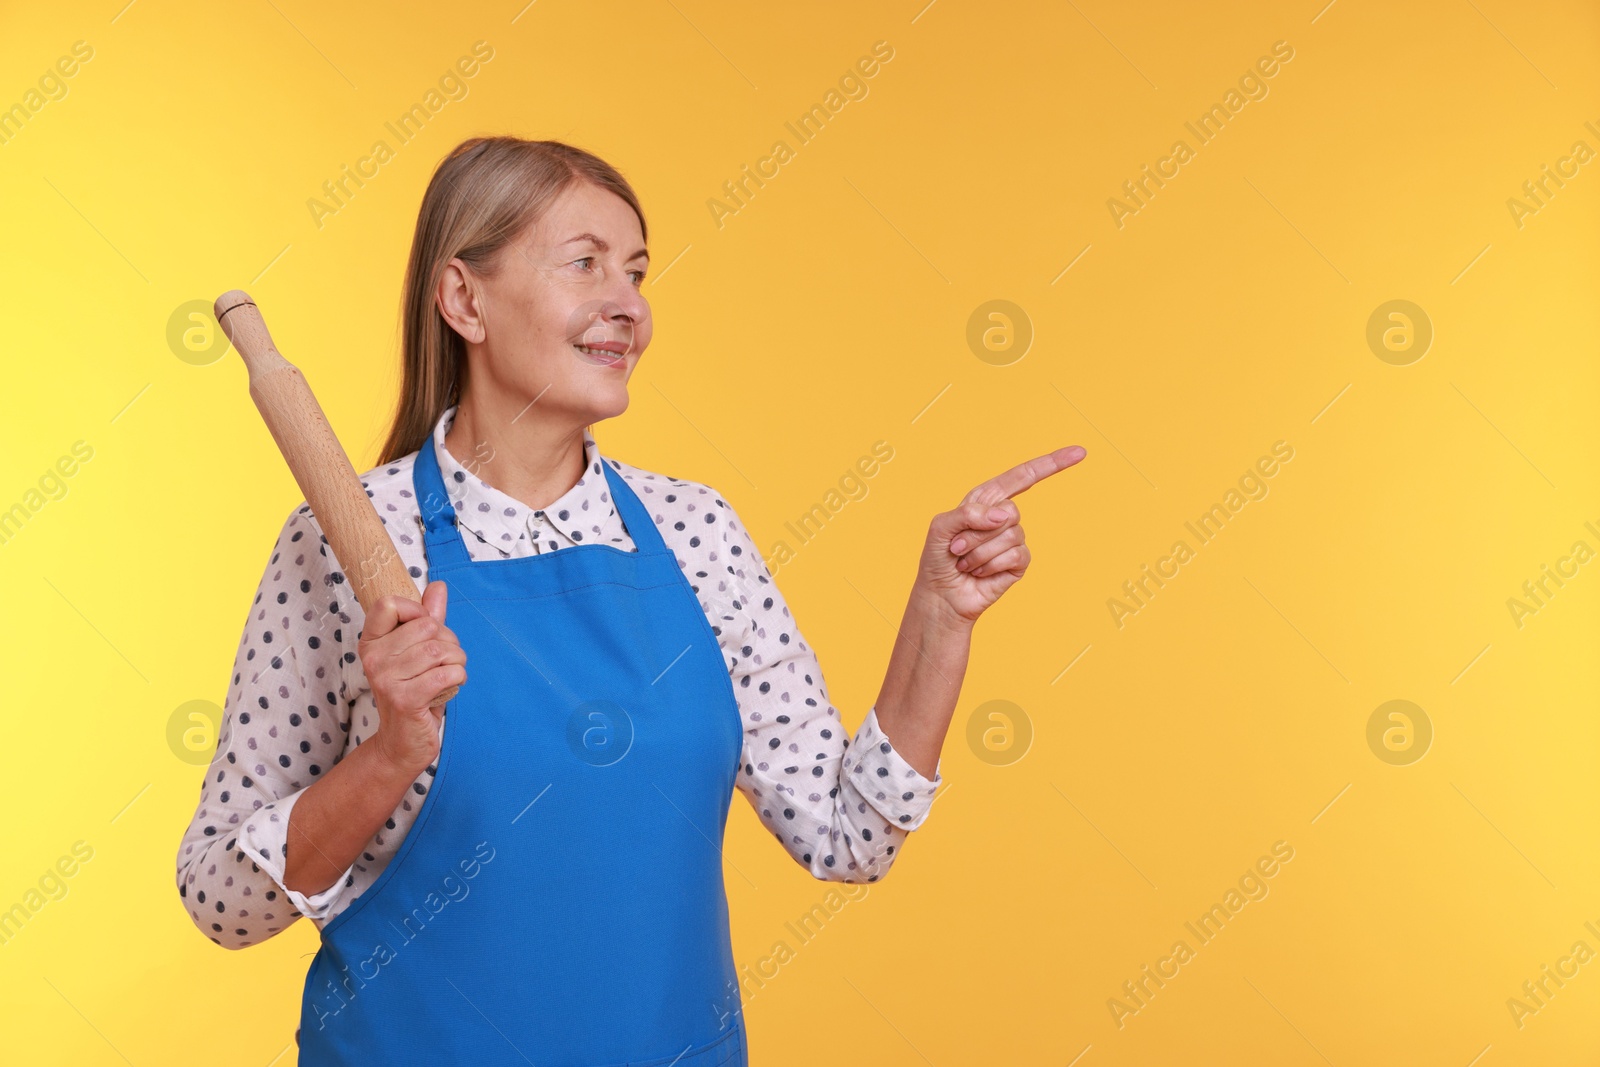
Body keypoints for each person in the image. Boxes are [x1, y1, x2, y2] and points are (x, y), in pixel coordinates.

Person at [174, 136, 1085, 1065]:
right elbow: (222, 900)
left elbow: (847, 833)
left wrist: (941, 616)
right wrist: (391, 750)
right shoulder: (346, 540)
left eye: (639, 273)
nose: (629, 307)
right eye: (585, 264)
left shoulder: (697, 532)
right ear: (464, 299)